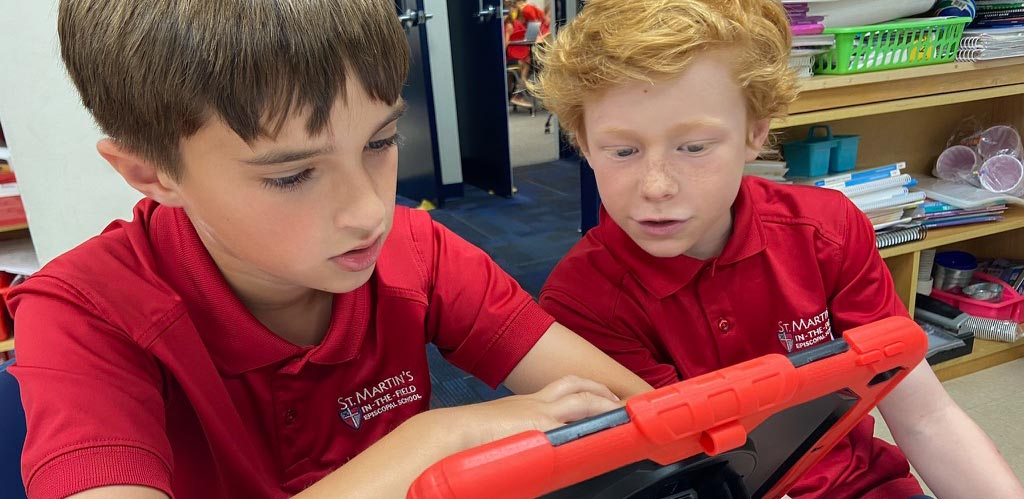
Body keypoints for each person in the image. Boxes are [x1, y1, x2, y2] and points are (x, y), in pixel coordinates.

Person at [8, 1, 653, 498]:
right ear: (152, 173)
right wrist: (439, 436)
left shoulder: (417, 251)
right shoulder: (84, 315)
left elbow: (641, 418)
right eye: (291, 175)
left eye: (381, 140)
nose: (370, 212)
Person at [534, 0, 1024, 498]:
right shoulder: (579, 305)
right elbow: (687, 472)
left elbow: (927, 416)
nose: (656, 187)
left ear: (755, 133)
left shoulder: (827, 233)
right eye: (623, 151)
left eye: (695, 146)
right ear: (584, 142)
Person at [504, 4, 534, 109]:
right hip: (510, 57)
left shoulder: (512, 23)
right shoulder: (509, 25)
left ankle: (517, 92)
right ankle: (519, 94)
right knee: (525, 65)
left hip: (515, 54)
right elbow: (505, 45)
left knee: (525, 65)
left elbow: (527, 36)